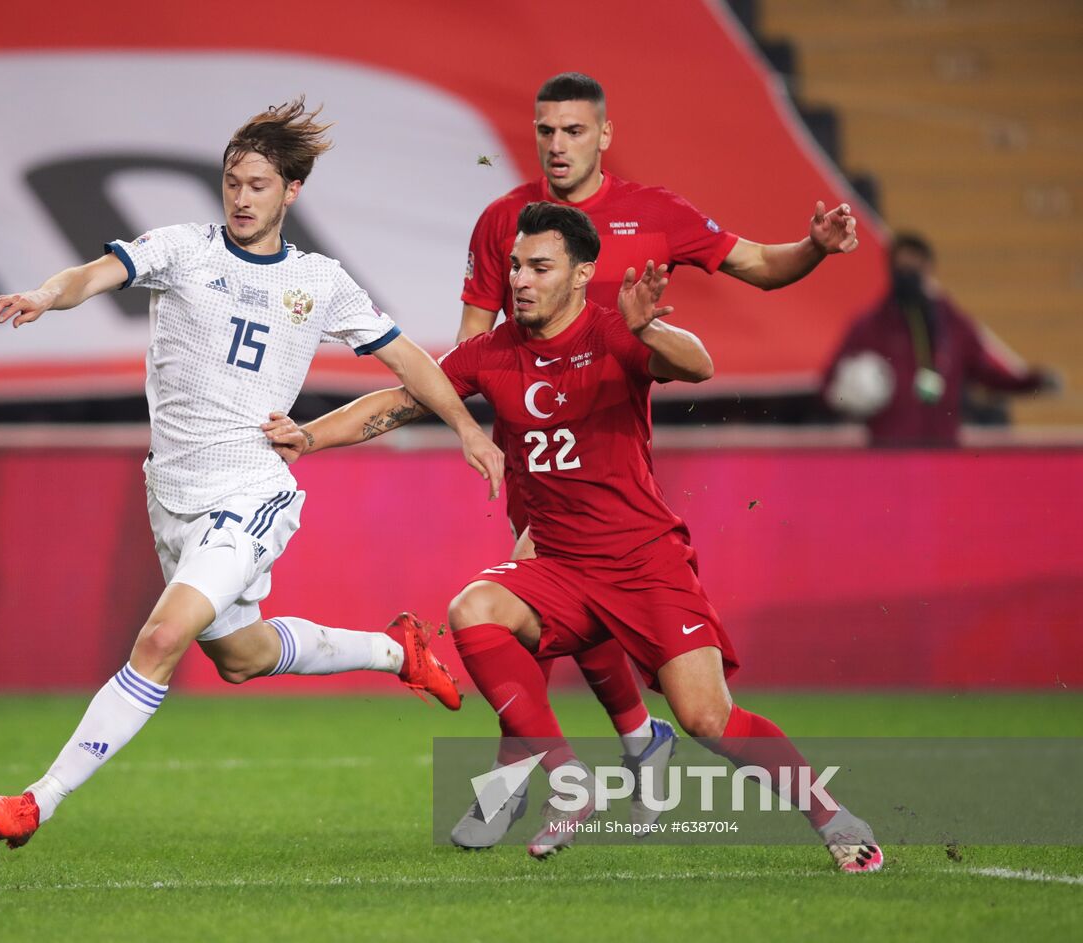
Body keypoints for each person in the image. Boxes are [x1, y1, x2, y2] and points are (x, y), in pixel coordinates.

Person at [268, 203, 882, 871]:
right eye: (514, 267)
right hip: (558, 564)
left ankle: (833, 816)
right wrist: (309, 435)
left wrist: (650, 329)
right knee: (473, 608)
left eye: (539, 267)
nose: (520, 281)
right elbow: (399, 401)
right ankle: (567, 777)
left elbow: (698, 364)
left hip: (644, 563)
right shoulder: (492, 352)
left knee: (708, 719)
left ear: (581, 273)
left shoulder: (616, 332)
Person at [0, 99, 505, 849]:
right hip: (173, 494)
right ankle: (397, 651)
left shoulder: (320, 281)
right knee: (240, 656)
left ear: (291, 191)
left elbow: (408, 360)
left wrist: (466, 428)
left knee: (160, 640)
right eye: (232, 182)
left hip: (251, 489)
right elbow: (95, 273)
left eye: (258, 184)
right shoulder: (183, 249)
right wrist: (43, 295)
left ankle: (37, 800)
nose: (242, 197)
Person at [453, 71, 864, 845]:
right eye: (546, 131)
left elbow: (757, 266)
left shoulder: (655, 213)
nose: (558, 145)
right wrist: (478, 423)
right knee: (537, 615)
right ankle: (632, 744)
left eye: (574, 131)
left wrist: (812, 246)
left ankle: (529, 776)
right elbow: (472, 341)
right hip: (533, 448)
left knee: (543, 609)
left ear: (605, 135)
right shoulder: (504, 221)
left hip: (611, 452)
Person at [823, 232, 1059, 446]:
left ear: (929, 269)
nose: (907, 277)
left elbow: (987, 372)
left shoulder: (954, 325)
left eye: (914, 269)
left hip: (943, 451)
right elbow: (832, 382)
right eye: (901, 269)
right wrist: (851, 397)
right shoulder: (870, 327)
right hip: (888, 452)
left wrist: (1032, 382)